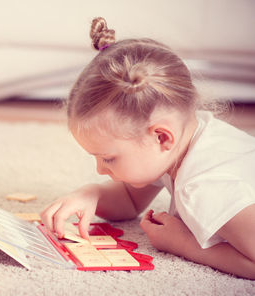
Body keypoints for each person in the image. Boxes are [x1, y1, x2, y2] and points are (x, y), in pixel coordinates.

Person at [40, 17, 255, 279]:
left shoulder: (207, 186)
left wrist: (186, 245)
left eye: (108, 158)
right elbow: (129, 202)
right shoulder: (182, 140)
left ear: (162, 138)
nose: (100, 169)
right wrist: (92, 194)